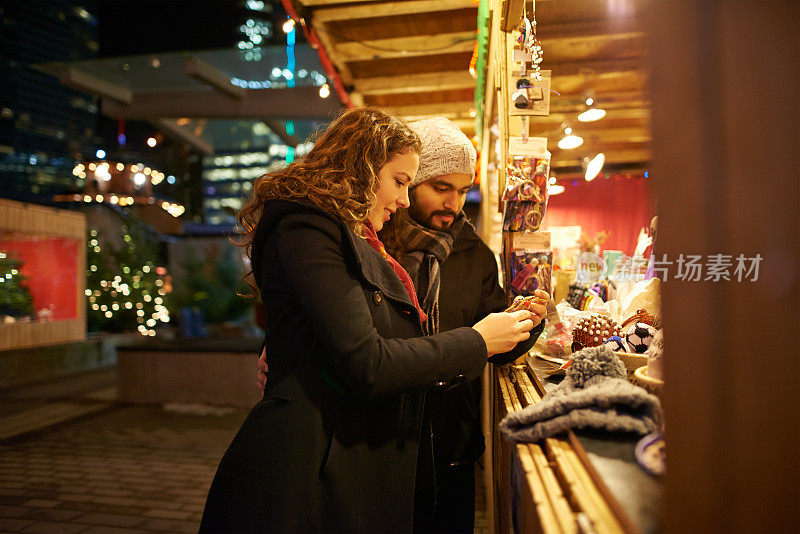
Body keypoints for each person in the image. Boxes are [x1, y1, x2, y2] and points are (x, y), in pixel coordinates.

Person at [200, 107, 537, 534]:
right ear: (359, 167)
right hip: (309, 472)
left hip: (366, 459)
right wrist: (477, 342)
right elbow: (368, 362)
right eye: (400, 182)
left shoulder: (360, 237)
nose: (402, 199)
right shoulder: (309, 228)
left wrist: (518, 327)